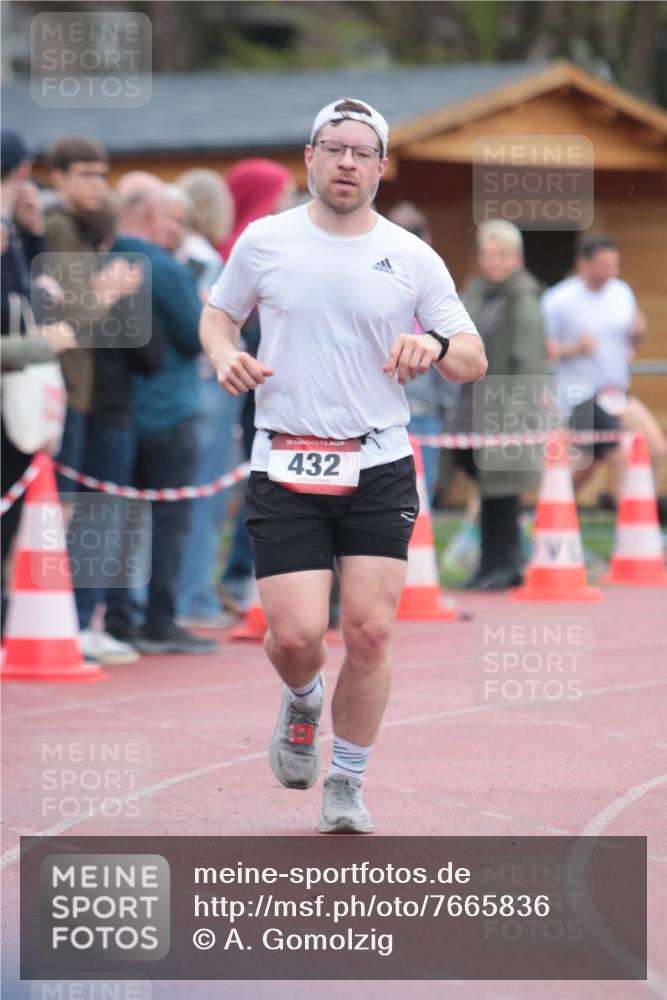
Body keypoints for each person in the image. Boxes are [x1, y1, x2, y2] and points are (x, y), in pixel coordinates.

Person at [201, 98, 486, 834]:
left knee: (367, 633)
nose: (347, 163)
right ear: (310, 156)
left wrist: (435, 347)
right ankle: (301, 702)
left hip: (378, 461)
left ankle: (347, 781)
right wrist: (223, 353)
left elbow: (472, 355)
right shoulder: (264, 241)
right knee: (296, 637)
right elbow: (218, 312)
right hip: (285, 457)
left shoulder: (412, 255)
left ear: (382, 166)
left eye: (362, 152)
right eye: (334, 149)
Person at [104, 172, 218, 655]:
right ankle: (160, 619)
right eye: (172, 217)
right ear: (153, 216)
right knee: (169, 520)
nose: (178, 228)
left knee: (117, 521)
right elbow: (197, 336)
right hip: (169, 408)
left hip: (117, 411)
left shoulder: (101, 257)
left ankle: (116, 618)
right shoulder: (164, 267)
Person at [1, 128, 76, 627]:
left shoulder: (12, 234)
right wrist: (39, 346)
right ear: (24, 171)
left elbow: (26, 304)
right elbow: (23, 323)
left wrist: (32, 238)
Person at [216, 159, 297, 615]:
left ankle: (243, 578)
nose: (288, 205)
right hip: (249, 389)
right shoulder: (250, 249)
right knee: (264, 486)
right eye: (282, 195)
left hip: (266, 389)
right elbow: (227, 319)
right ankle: (241, 579)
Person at [452, 220, 546, 590]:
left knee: (504, 492)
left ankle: (506, 565)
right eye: (488, 254)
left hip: (507, 412)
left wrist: (511, 419)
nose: (494, 262)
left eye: (501, 255)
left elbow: (528, 365)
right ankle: (489, 565)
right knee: (488, 492)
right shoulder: (477, 294)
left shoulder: (523, 301)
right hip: (473, 409)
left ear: (517, 258)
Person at [541, 235, 638, 491]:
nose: (611, 272)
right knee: (623, 456)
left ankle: (541, 518)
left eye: (614, 265)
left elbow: (631, 338)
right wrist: (574, 349)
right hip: (580, 397)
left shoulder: (622, 291)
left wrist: (638, 334)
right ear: (584, 264)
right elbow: (542, 349)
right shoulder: (559, 299)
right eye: (604, 265)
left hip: (616, 392)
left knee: (655, 448)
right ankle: (634, 525)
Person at [387, 201, 461, 504]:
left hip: (402, 409)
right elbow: (452, 349)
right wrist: (446, 407)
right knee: (416, 503)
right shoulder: (435, 283)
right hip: (414, 411)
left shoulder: (426, 283)